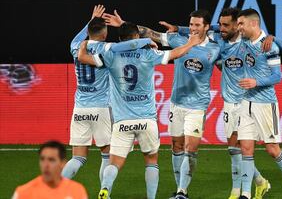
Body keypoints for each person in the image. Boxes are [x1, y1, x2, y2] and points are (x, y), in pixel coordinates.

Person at [159, 7, 282, 199]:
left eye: (226, 25)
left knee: (244, 150)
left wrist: (273, 37)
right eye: (221, 25)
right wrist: (178, 28)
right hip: (229, 102)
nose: (222, 29)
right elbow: (198, 30)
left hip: (248, 100)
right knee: (234, 150)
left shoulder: (248, 42)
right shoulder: (219, 41)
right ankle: (257, 183)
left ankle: (240, 192)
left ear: (239, 25)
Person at [78, 20, 201, 199]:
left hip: (122, 121)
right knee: (151, 162)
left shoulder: (111, 56)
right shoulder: (148, 53)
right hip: (146, 119)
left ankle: (104, 189)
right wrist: (190, 43)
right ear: (137, 36)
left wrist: (83, 46)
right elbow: (174, 54)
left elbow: (83, 58)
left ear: (120, 39)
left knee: (114, 163)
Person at [63, 5, 155, 186]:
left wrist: (91, 20)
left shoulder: (76, 47)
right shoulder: (108, 49)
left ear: (89, 31)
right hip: (102, 108)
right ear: (105, 35)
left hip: (80, 108)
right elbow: (131, 42)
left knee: (78, 158)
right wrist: (145, 41)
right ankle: (104, 193)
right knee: (107, 155)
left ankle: (54, 192)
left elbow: (82, 36)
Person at [236, 9, 282, 199]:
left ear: (253, 24)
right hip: (246, 101)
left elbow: (277, 76)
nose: (238, 28)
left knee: (272, 150)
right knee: (245, 148)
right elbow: (220, 29)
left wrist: (256, 82)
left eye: (241, 24)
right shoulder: (245, 40)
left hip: (265, 103)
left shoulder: (269, 46)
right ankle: (246, 194)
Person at [12, 141, 88, 199]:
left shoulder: (77, 191)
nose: (46, 165)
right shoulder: (23, 193)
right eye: (42, 159)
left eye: (51, 160)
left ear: (63, 163)